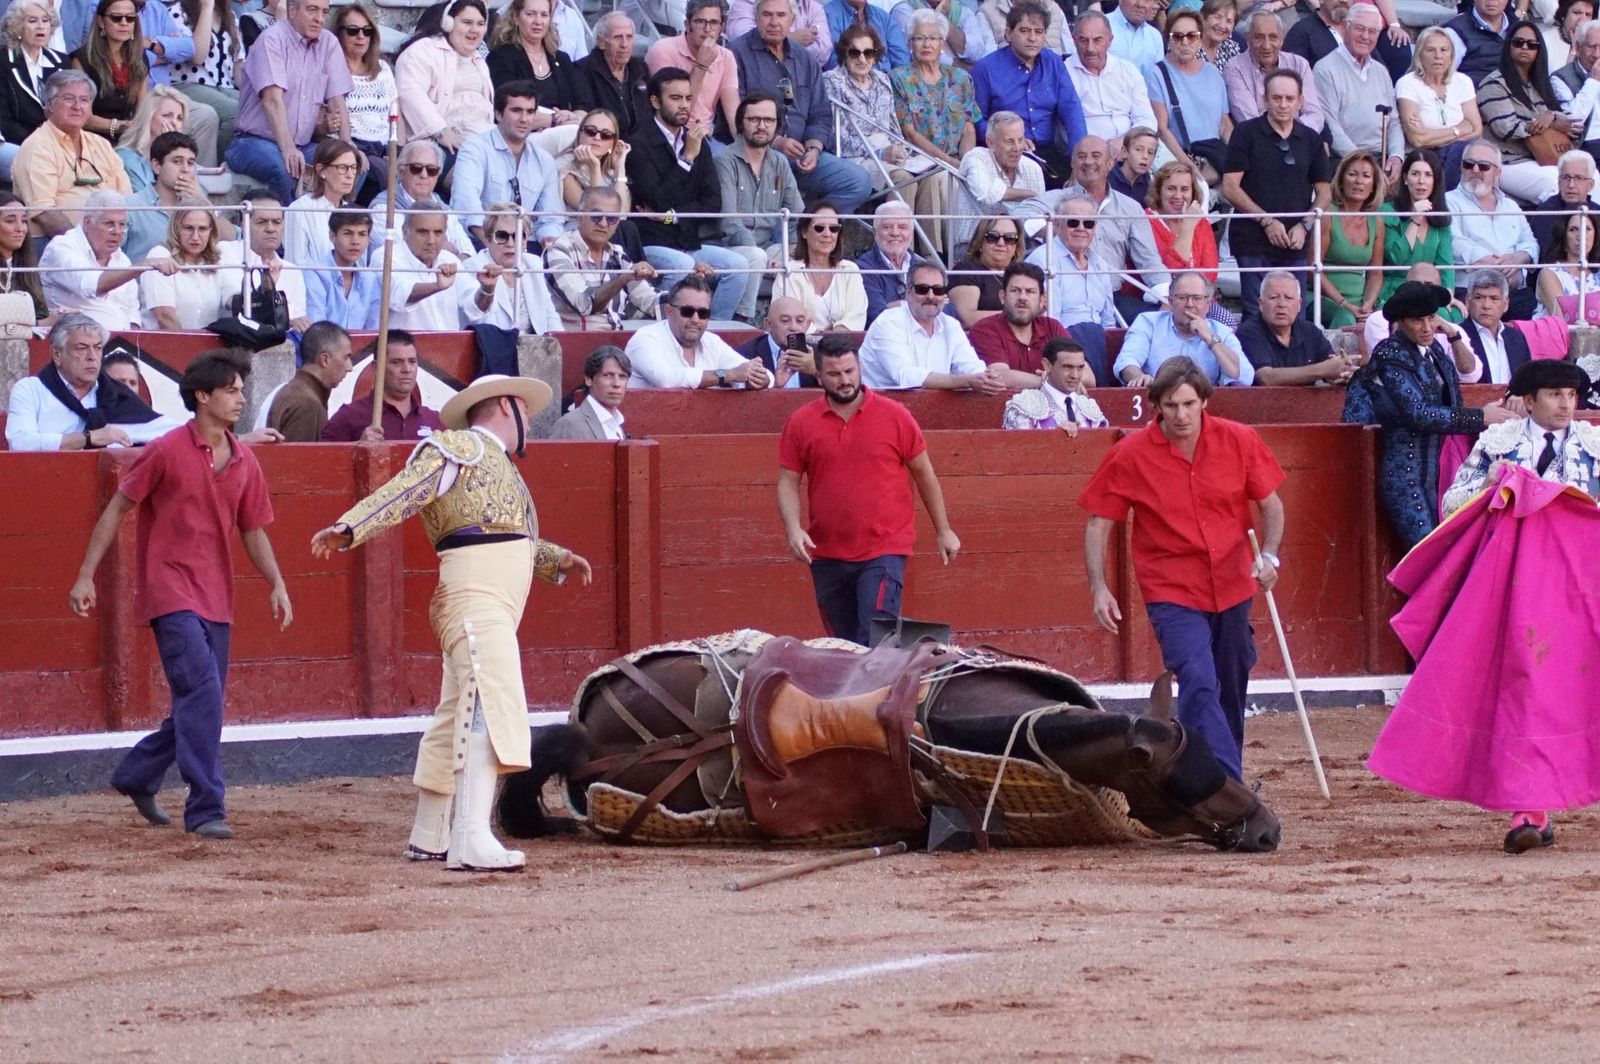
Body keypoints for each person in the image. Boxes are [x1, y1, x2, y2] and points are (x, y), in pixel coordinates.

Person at [310, 374, 592, 871]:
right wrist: (350, 526)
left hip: (483, 600)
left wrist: (555, 559)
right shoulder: (460, 447)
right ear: (504, 406)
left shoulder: (497, 463)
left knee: (456, 713)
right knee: (489, 700)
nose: (530, 423)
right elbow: (406, 490)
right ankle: (471, 836)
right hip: (476, 599)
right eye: (525, 412)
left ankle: (430, 833)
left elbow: (500, 538)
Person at [1368, 358, 1600, 855]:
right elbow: (1453, 504)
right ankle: (1531, 808)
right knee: (1525, 690)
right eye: (1555, 395)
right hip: (1513, 590)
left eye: (1571, 396)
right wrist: (1493, 483)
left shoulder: (1594, 446)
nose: (1566, 405)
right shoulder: (1498, 444)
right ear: (1529, 401)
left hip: (1579, 591)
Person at [69, 350, 292, 840]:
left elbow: (253, 529)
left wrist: (276, 581)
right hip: (168, 589)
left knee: (199, 701)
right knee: (204, 693)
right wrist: (86, 575)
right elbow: (118, 508)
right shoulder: (167, 450)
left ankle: (138, 774)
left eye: (241, 390)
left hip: (217, 595)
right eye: (230, 390)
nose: (240, 399)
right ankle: (206, 807)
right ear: (202, 396)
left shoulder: (244, 459)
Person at [1079, 355, 1286, 781]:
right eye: (1171, 405)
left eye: (1189, 404)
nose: (1181, 415)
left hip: (1233, 582)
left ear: (1204, 401)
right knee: (1199, 678)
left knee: (1230, 682)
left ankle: (1216, 776)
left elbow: (1272, 505)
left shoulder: (1239, 439)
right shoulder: (1130, 454)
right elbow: (1099, 523)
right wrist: (1099, 586)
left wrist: (1269, 555)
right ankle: (1221, 784)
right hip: (1171, 588)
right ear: (1156, 405)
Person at [777, 333, 962, 645]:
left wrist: (944, 530)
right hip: (827, 551)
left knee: (874, 640)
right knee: (843, 645)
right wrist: (793, 528)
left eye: (850, 371)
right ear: (818, 375)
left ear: (860, 368)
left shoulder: (895, 415)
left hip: (884, 548)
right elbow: (787, 480)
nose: (844, 380)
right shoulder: (801, 422)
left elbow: (924, 474)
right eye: (834, 374)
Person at [1367, 279, 1516, 547]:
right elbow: (1419, 414)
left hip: (1441, 473)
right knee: (1429, 551)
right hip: (1405, 476)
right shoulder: (1389, 354)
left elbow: (1458, 393)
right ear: (1401, 321)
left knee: (1446, 549)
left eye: (1431, 317)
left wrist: (1453, 334)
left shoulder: (1433, 350)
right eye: (1417, 320)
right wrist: (1480, 417)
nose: (1427, 327)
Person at [628, 68, 764, 323]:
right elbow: (657, 199)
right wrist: (687, 158)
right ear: (655, 101)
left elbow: (712, 203)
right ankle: (665, 328)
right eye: (675, 98)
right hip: (651, 243)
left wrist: (671, 216)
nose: (684, 105)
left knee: (739, 266)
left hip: (688, 241)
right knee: (680, 264)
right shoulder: (638, 143)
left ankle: (716, 330)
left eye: (688, 98)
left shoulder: (698, 141)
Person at [730, 0, 873, 213]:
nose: (774, 22)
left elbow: (820, 113)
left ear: (792, 20)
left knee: (859, 181)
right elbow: (736, 114)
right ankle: (790, 227)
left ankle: (810, 224)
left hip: (802, 153)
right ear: (756, 18)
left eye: (781, 15)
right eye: (767, 15)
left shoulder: (804, 57)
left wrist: (814, 148)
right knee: (778, 166)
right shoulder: (736, 53)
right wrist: (777, 142)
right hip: (759, 150)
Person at [1221, 68, 1333, 319]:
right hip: (1252, 239)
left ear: (1300, 101)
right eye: (1277, 98)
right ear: (1265, 99)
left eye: (1289, 98)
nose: (1283, 104)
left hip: (1296, 239)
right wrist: (1267, 221)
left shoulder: (1311, 139)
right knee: (1256, 311)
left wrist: (1305, 225)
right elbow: (1230, 187)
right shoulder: (1245, 133)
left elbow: (1325, 192)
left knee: (1294, 313)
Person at [224, 0, 352, 206]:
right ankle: (288, 224)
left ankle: (328, 223)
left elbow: (337, 100)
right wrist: (289, 149)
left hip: (303, 144)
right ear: (292, 9)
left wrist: (347, 145)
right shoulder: (272, 39)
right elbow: (272, 100)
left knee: (348, 164)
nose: (320, 19)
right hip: (251, 141)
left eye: (324, 12)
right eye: (312, 10)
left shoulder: (329, 43)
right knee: (284, 167)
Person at [5, 313, 179, 450]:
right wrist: (89, 438)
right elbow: (20, 442)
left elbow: (170, 432)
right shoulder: (30, 390)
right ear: (57, 354)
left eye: (98, 348)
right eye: (82, 348)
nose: (92, 357)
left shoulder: (117, 395)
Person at [1054, 133, 1170, 322]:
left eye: (1096, 156)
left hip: (1112, 294)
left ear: (1110, 163)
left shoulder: (1130, 207)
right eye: (1082, 156)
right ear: (1073, 164)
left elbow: (1148, 260)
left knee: (1160, 321)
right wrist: (1051, 228)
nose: (1088, 162)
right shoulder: (1055, 199)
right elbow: (1022, 216)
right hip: (1067, 296)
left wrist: (1166, 296)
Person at [970, 0, 1086, 187]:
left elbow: (1072, 113)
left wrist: (1078, 159)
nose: (1032, 38)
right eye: (1024, 31)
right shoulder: (986, 69)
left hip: (1047, 154)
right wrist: (1010, 140)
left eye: (1038, 32)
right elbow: (976, 119)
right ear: (1008, 33)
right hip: (1002, 156)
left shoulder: (1054, 63)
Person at [892, 8, 979, 249]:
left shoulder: (960, 78)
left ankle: (969, 249)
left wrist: (964, 161)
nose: (926, 44)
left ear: (942, 43)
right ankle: (943, 252)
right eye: (919, 38)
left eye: (933, 38)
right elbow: (910, 132)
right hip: (922, 160)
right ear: (910, 43)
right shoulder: (900, 78)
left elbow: (969, 127)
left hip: (958, 158)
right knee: (942, 178)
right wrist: (947, 161)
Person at [14, 69, 131, 238]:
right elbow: (44, 213)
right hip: (58, 243)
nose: (77, 106)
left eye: (84, 100)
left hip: (114, 240)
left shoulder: (102, 145)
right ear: (50, 104)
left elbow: (128, 202)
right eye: (68, 98)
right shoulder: (37, 147)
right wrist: (83, 246)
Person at [858, 259, 1007, 391]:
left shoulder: (951, 325)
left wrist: (987, 378)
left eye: (938, 290)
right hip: (882, 407)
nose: (931, 296)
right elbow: (905, 376)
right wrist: (966, 381)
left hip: (933, 408)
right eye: (922, 289)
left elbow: (972, 367)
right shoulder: (888, 323)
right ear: (908, 291)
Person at [41, 189, 175, 331]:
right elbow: (91, 286)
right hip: (77, 340)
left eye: (122, 224)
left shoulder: (122, 259)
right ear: (87, 222)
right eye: (109, 223)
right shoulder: (61, 247)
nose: (117, 231)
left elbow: (132, 314)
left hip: (122, 340)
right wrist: (143, 265)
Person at [450, 80, 564, 247]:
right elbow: (467, 206)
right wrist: (495, 247)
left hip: (526, 246)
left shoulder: (544, 160)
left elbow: (550, 219)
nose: (524, 119)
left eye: (530, 112)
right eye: (516, 111)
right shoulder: (474, 148)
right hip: (479, 243)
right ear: (498, 114)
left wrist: (550, 247)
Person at [1475, 20, 1574, 203]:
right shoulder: (1493, 84)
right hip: (1507, 162)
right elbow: (1506, 128)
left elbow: (1565, 120)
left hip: (1542, 159)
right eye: (1518, 42)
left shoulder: (1539, 83)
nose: (1525, 47)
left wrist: (1552, 117)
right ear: (1509, 45)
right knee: (1558, 184)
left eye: (1532, 44)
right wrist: (1546, 123)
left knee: (1590, 176)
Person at [1024, 194, 1120, 383]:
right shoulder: (1044, 259)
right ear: (1057, 224)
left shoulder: (1099, 263)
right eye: (1073, 222)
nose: (1081, 229)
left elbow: (1108, 320)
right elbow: (1051, 321)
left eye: (1088, 224)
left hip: (1096, 341)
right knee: (1088, 330)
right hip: (1063, 341)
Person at [392, 0, 491, 178]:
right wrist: (440, 130)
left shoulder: (479, 61)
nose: (474, 30)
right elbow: (410, 93)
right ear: (448, 23)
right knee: (474, 176)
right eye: (467, 23)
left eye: (480, 24)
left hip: (484, 142)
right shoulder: (423, 50)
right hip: (441, 145)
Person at [1445, 140, 1540, 320]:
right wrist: (1499, 270)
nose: (1475, 170)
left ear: (1497, 172)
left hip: (1514, 293)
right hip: (1471, 293)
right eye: (1468, 164)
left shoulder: (1511, 206)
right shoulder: (1448, 201)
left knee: (1541, 325)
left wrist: (1516, 259)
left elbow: (1530, 243)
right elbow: (1454, 243)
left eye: (1483, 166)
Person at [544, 185, 660, 330]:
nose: (604, 224)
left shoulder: (618, 254)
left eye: (611, 218)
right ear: (580, 216)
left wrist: (686, 291)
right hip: (572, 340)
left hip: (616, 338)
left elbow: (651, 302)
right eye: (596, 216)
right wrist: (623, 278)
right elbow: (583, 305)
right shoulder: (559, 250)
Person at [624, 275, 772, 388]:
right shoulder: (646, 338)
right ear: (668, 311)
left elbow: (764, 375)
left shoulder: (711, 341)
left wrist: (760, 378)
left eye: (703, 313)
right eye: (687, 311)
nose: (695, 319)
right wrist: (730, 374)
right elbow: (666, 379)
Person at [1313, 3, 1402, 185]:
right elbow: (1331, 126)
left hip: (1382, 159)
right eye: (1360, 29)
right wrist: (1365, 164)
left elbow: (1393, 121)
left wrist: (1396, 156)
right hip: (1346, 160)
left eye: (1372, 31)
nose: (1365, 36)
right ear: (1345, 27)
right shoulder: (1325, 69)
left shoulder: (1381, 71)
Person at [1114, 271, 1253, 387]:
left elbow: (1244, 379)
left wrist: (1211, 339)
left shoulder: (1222, 332)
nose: (1190, 304)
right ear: (1170, 301)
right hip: (1157, 397)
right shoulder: (1148, 323)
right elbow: (1126, 362)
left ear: (1208, 304)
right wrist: (1139, 377)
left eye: (1197, 298)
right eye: (1182, 298)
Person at [713, 92, 802, 260]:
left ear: (777, 125)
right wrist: (765, 258)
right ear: (741, 122)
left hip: (766, 247)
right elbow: (728, 221)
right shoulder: (724, 160)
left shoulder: (779, 162)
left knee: (801, 257)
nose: (762, 126)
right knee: (758, 256)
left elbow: (797, 215)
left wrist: (794, 246)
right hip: (728, 247)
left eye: (769, 120)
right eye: (754, 119)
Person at [1146, 10, 1231, 182]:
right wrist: (1191, 169)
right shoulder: (1157, 73)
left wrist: (1241, 158)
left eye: (1192, 36)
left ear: (1200, 39)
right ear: (1168, 40)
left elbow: (1224, 124)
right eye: (1177, 37)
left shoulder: (1212, 73)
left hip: (1215, 157)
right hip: (1181, 159)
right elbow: (1162, 130)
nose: (1185, 42)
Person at [822, 24, 905, 198]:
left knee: (934, 177)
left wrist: (900, 149)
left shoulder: (883, 80)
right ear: (844, 54)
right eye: (854, 53)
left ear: (875, 56)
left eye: (868, 53)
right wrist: (879, 153)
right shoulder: (832, 81)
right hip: (855, 159)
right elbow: (836, 139)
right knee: (903, 179)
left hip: (886, 152)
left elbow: (893, 126)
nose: (862, 59)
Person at [122, 128, 230, 262]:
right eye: (177, 161)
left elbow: (231, 240)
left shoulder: (201, 206)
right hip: (146, 275)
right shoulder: (131, 207)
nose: (185, 169)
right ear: (156, 166)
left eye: (190, 163)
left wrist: (204, 204)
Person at [454, 201, 562, 333]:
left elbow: (550, 314)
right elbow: (475, 318)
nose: (510, 243)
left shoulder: (533, 263)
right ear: (488, 238)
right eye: (501, 236)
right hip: (494, 343)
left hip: (536, 343)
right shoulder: (473, 267)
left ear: (526, 240)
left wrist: (559, 341)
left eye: (518, 236)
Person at [1239, 270, 1359, 386]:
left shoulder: (1310, 331)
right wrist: (1321, 370)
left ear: (1299, 304)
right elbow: (1266, 378)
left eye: (1289, 298)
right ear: (1261, 303)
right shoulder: (1248, 331)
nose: (1281, 304)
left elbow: (1331, 369)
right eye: (1274, 297)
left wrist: (1343, 373)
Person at [1394, 26, 1480, 188]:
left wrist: (1432, 136)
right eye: (1430, 50)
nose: (1438, 56)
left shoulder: (1463, 81)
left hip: (1459, 152)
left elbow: (1476, 130)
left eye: (1444, 50)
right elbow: (1418, 139)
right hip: (1424, 156)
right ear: (1419, 54)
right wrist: (1458, 130)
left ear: (1451, 55)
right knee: (1466, 151)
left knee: (1477, 151)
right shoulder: (1407, 84)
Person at [320, 331, 446, 441]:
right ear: (376, 368)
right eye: (396, 362)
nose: (407, 369)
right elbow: (322, 458)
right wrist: (357, 449)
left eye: (412, 361)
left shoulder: (435, 421)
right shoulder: (348, 416)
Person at [486, 0, 583, 138]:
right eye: (530, 14)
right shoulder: (501, 57)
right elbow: (509, 110)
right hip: (524, 136)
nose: (538, 21)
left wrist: (574, 117)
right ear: (516, 17)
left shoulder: (562, 59)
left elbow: (583, 105)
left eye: (544, 15)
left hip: (564, 131)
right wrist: (555, 120)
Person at [645, 0, 741, 138]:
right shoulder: (663, 50)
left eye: (714, 23)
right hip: (670, 134)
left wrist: (744, 146)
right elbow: (675, 109)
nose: (707, 29)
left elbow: (734, 116)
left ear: (722, 28)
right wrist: (701, 65)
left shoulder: (726, 57)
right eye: (700, 21)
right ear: (687, 25)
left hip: (706, 136)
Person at [217, 191, 311, 331]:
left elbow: (298, 323)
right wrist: (267, 288)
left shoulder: (292, 271)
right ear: (243, 224)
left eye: (277, 222)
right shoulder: (226, 252)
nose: (271, 229)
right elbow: (236, 306)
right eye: (262, 222)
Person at [771, 204, 868, 338]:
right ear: (804, 232)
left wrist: (836, 337)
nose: (827, 234)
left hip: (843, 344)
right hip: (802, 344)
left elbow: (857, 313)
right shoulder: (789, 272)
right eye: (819, 228)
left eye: (833, 228)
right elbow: (785, 316)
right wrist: (820, 337)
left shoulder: (850, 270)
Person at [165, 0, 243, 164]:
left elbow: (239, 65)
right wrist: (207, 8)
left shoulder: (230, 16)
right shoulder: (177, 12)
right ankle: (218, 169)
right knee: (236, 113)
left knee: (254, 110)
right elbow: (197, 57)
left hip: (225, 87)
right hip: (188, 84)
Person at [953, 110, 1045, 249]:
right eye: (1009, 141)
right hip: (973, 246)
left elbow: (1039, 216)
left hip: (1018, 246)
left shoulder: (1033, 168)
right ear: (990, 143)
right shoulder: (975, 158)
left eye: (1020, 140)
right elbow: (989, 194)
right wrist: (1031, 195)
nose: (1017, 148)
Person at [0, 0, 69, 183]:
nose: (41, 26)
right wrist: (40, 142)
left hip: (57, 141)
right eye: (32, 21)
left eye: (45, 20)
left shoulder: (61, 62)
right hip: (16, 141)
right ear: (17, 26)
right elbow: (4, 120)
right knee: (42, 166)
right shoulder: (3, 62)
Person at [371, 139, 475, 260]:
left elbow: (468, 253)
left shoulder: (444, 208)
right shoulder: (384, 208)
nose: (424, 175)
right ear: (401, 171)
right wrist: (452, 252)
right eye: (416, 168)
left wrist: (450, 255)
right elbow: (407, 254)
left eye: (432, 170)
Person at [1225, 9, 1324, 135]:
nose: (1266, 45)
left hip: (1300, 138)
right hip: (1259, 143)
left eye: (1273, 37)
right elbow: (1250, 122)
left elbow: (1315, 115)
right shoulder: (1235, 68)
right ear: (1248, 38)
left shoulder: (1299, 64)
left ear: (1282, 38)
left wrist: (1293, 135)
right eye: (1259, 37)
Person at [967, 261, 1072, 380]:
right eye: (1015, 290)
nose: (1022, 297)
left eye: (1030, 291)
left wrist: (1060, 380)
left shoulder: (1052, 327)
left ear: (1042, 300)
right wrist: (1050, 382)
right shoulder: (984, 329)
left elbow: (1083, 373)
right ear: (1002, 297)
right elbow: (999, 376)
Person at [332, 3, 395, 200]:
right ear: (339, 34)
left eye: (367, 31)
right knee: (379, 172)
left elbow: (395, 114)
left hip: (384, 147)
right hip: (350, 145)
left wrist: (395, 151)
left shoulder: (383, 68)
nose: (361, 36)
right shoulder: (332, 69)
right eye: (353, 31)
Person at [1065, 11, 1155, 146]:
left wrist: (1124, 143)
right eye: (1083, 40)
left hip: (1130, 148)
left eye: (1097, 40)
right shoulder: (1063, 72)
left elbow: (1146, 119)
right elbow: (1065, 126)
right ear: (1074, 39)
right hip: (1087, 151)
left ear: (1110, 40)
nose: (1090, 48)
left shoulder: (1128, 70)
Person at [1379, 149, 1454, 309]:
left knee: (1454, 314)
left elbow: (1445, 266)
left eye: (1428, 175)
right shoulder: (1387, 211)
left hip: (1430, 292)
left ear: (1435, 181)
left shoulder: (1440, 217)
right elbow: (1397, 258)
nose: (1421, 181)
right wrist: (1415, 219)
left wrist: (1448, 295)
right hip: (1395, 290)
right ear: (1405, 178)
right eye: (1415, 174)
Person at [1319, 150, 1385, 328]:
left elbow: (1375, 273)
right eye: (1353, 174)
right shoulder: (1327, 213)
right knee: (1345, 317)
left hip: (1360, 300)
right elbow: (1313, 270)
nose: (1359, 181)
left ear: (1373, 185)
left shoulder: (1376, 221)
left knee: (1384, 318)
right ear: (1341, 181)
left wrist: (1368, 305)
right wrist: (1344, 304)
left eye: (1366, 176)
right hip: (1324, 297)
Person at [139, 206, 229, 329]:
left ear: (211, 231)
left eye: (202, 229)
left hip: (208, 340)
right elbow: (165, 317)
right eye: (188, 228)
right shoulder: (160, 255)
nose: (195, 237)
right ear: (176, 229)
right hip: (164, 339)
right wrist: (189, 341)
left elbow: (231, 296)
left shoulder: (217, 259)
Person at [69, 0, 145, 142]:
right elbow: (83, 116)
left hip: (131, 137)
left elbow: (142, 107)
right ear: (101, 21)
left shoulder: (139, 56)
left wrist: (136, 129)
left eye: (130, 18)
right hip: (94, 139)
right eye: (116, 17)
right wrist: (119, 126)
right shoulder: (82, 59)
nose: (124, 23)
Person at [265, 320, 353, 440]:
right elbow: (299, 452)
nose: (350, 367)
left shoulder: (292, 390)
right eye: (346, 357)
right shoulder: (308, 405)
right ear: (325, 360)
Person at [282, 136, 361, 267]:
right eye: (342, 167)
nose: (350, 175)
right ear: (321, 170)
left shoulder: (353, 212)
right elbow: (295, 264)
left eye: (353, 168)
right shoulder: (300, 209)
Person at [1145, 161, 1219, 298]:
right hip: (1162, 300)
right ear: (1159, 191)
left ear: (1193, 192)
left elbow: (1211, 272)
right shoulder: (1146, 221)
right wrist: (1188, 226)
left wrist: (1196, 299)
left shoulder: (1201, 222)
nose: (1178, 196)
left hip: (1201, 299)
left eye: (1184, 189)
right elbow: (1171, 272)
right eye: (1171, 189)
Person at [1001, 336, 1107, 430]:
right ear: (1047, 365)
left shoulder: (1089, 408)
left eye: (1080, 368)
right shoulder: (1024, 406)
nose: (1075, 375)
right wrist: (1054, 437)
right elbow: (1019, 445)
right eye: (1067, 367)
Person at [388, 198, 463, 331]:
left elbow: (474, 305)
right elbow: (400, 296)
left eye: (438, 233)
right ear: (405, 232)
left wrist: (487, 289)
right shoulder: (388, 256)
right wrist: (437, 286)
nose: (431, 241)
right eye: (423, 232)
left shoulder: (450, 259)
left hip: (449, 343)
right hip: (405, 344)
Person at [574, 12, 649, 140]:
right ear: (601, 42)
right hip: (606, 141)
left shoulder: (640, 68)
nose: (624, 44)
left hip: (643, 144)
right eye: (618, 37)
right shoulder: (582, 70)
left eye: (629, 37)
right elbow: (588, 116)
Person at [304, 209, 381, 329]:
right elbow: (316, 327)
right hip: (323, 341)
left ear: (368, 238)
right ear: (332, 236)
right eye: (347, 233)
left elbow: (374, 330)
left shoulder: (370, 279)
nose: (355, 241)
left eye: (362, 234)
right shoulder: (315, 273)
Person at [948, 214, 1023, 327]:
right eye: (993, 237)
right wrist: (1018, 315)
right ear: (980, 242)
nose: (1001, 243)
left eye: (1010, 238)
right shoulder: (966, 270)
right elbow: (969, 318)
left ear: (1016, 247)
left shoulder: (1021, 275)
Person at [556, 106, 633, 214]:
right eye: (591, 131)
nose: (597, 138)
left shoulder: (610, 172)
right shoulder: (564, 167)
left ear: (614, 142)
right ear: (580, 134)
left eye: (605, 135)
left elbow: (622, 215)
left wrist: (620, 168)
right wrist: (594, 168)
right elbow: (600, 213)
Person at [112, 83, 188, 193]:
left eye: (180, 118)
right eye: (167, 115)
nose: (174, 122)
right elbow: (145, 198)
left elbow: (198, 194)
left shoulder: (184, 157)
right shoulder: (127, 157)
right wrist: (168, 151)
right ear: (148, 117)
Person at [1460, 268, 1531, 384]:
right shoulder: (1459, 336)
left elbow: (1527, 382)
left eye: (1494, 298)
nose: (1486, 305)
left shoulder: (1517, 337)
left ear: (1505, 303)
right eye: (1479, 298)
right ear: (1468, 301)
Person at [550, 346, 631, 438]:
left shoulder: (618, 424)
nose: (617, 384)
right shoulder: (569, 424)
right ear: (588, 379)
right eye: (608, 375)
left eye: (622, 376)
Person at [735, 296, 815, 388]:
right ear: (768, 324)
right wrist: (775, 385)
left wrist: (814, 370)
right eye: (785, 321)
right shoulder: (746, 355)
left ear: (807, 325)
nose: (793, 327)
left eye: (799, 321)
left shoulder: (819, 355)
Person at [857, 198, 915, 321]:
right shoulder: (863, 269)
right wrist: (920, 306)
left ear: (911, 233)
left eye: (902, 227)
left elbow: (946, 309)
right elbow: (877, 314)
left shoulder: (924, 268)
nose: (895, 233)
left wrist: (894, 306)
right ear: (875, 233)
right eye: (887, 227)